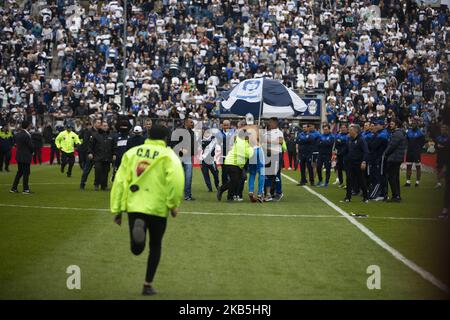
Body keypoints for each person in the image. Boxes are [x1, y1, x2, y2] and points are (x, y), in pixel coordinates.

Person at [110, 125, 184, 296]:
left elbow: (120, 181)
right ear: (165, 139)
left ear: (148, 135)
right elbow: (176, 180)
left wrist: (118, 210)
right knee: (155, 245)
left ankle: (139, 227)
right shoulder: (168, 155)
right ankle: (147, 284)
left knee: (136, 249)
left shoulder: (133, 153)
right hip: (157, 207)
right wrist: (173, 205)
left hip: (135, 206)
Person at [217, 127, 254, 202]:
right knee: (234, 181)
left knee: (236, 181)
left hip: (234, 164)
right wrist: (251, 147)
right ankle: (228, 196)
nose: (248, 136)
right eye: (247, 135)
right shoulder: (243, 143)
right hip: (233, 163)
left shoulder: (239, 140)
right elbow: (249, 154)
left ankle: (223, 190)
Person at [342, 124, 369, 203]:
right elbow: (345, 150)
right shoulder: (349, 139)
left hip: (359, 163)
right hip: (350, 163)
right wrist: (337, 155)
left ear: (356, 131)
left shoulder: (361, 139)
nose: (349, 131)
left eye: (350, 130)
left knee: (361, 180)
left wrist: (364, 161)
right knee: (349, 179)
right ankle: (348, 197)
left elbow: (366, 151)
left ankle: (365, 197)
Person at [88, 121, 116, 191]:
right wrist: (90, 153)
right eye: (103, 125)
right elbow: (90, 145)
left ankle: (104, 186)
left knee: (106, 172)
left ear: (108, 127)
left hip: (107, 157)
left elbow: (114, 146)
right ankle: (96, 184)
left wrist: (114, 154)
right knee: (98, 170)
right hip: (98, 157)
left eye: (106, 125)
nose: (105, 127)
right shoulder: (95, 135)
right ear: (100, 126)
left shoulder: (111, 135)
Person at [384, 120, 407, 202]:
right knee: (395, 177)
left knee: (392, 177)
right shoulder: (399, 133)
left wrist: (385, 153)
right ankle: (397, 195)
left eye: (392, 124)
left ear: (396, 125)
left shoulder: (397, 134)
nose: (390, 125)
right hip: (397, 157)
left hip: (394, 158)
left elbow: (392, 146)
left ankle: (395, 196)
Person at [263, 117, 284, 201]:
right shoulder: (267, 132)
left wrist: (269, 141)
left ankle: (278, 192)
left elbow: (281, 141)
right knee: (268, 174)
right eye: (269, 122)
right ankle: (269, 193)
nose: (269, 124)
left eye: (270, 122)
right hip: (268, 155)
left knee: (275, 174)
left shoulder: (279, 132)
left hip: (276, 155)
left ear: (275, 123)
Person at [368, 119, 389, 201]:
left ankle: (376, 195)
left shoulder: (383, 135)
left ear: (382, 125)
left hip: (380, 158)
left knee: (379, 177)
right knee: (378, 176)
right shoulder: (378, 134)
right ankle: (381, 194)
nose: (376, 126)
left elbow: (372, 145)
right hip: (376, 158)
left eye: (377, 125)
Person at [10, 121, 33, 194]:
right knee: (26, 172)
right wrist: (32, 152)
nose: (31, 126)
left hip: (19, 155)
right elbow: (30, 146)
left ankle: (14, 188)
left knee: (20, 172)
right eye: (30, 125)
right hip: (25, 156)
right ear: (28, 126)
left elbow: (15, 143)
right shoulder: (26, 135)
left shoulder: (18, 134)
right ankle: (25, 189)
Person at [80, 119, 101, 190]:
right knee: (86, 171)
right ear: (94, 123)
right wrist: (88, 153)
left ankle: (96, 185)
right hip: (90, 154)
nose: (99, 124)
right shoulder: (88, 131)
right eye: (98, 123)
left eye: (100, 123)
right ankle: (82, 184)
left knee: (98, 171)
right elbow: (86, 143)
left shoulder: (100, 132)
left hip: (98, 155)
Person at [405, 120, 425, 187]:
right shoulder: (408, 132)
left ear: (417, 124)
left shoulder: (420, 133)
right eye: (412, 123)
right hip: (409, 152)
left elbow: (423, 142)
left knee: (418, 167)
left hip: (417, 153)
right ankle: (408, 182)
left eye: (414, 123)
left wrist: (418, 149)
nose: (413, 124)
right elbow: (406, 140)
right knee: (408, 167)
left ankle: (417, 182)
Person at [200, 127, 219, 192]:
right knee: (206, 175)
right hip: (203, 161)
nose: (204, 132)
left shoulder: (213, 138)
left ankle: (217, 186)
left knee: (216, 174)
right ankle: (210, 188)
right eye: (203, 131)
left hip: (211, 160)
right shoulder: (200, 139)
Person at [434, 124, 449, 189]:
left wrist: (444, 147)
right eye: (442, 128)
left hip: (446, 156)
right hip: (439, 155)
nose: (442, 130)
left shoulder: (448, 138)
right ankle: (438, 183)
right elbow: (435, 145)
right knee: (438, 169)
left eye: (444, 128)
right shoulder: (438, 137)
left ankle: (443, 180)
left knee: (445, 170)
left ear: (446, 130)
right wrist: (437, 146)